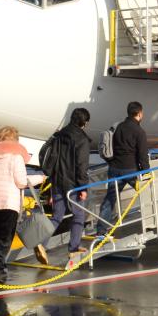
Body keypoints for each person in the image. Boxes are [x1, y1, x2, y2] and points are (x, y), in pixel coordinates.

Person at [0, 127, 45, 285]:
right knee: (5, 239)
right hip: (7, 203)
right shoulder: (15, 157)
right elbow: (21, 182)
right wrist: (39, 178)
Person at [48, 108, 92, 269]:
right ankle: (73, 247)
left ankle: (40, 241)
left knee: (57, 216)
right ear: (84, 123)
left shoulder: (59, 135)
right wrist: (83, 187)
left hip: (57, 180)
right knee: (79, 215)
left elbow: (53, 159)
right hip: (72, 184)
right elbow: (82, 165)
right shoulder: (82, 139)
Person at [98, 101, 150, 235]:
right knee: (147, 192)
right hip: (131, 171)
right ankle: (153, 219)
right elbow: (143, 155)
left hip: (115, 168)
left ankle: (101, 230)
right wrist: (146, 172)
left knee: (110, 198)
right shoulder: (139, 132)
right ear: (139, 113)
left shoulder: (118, 127)